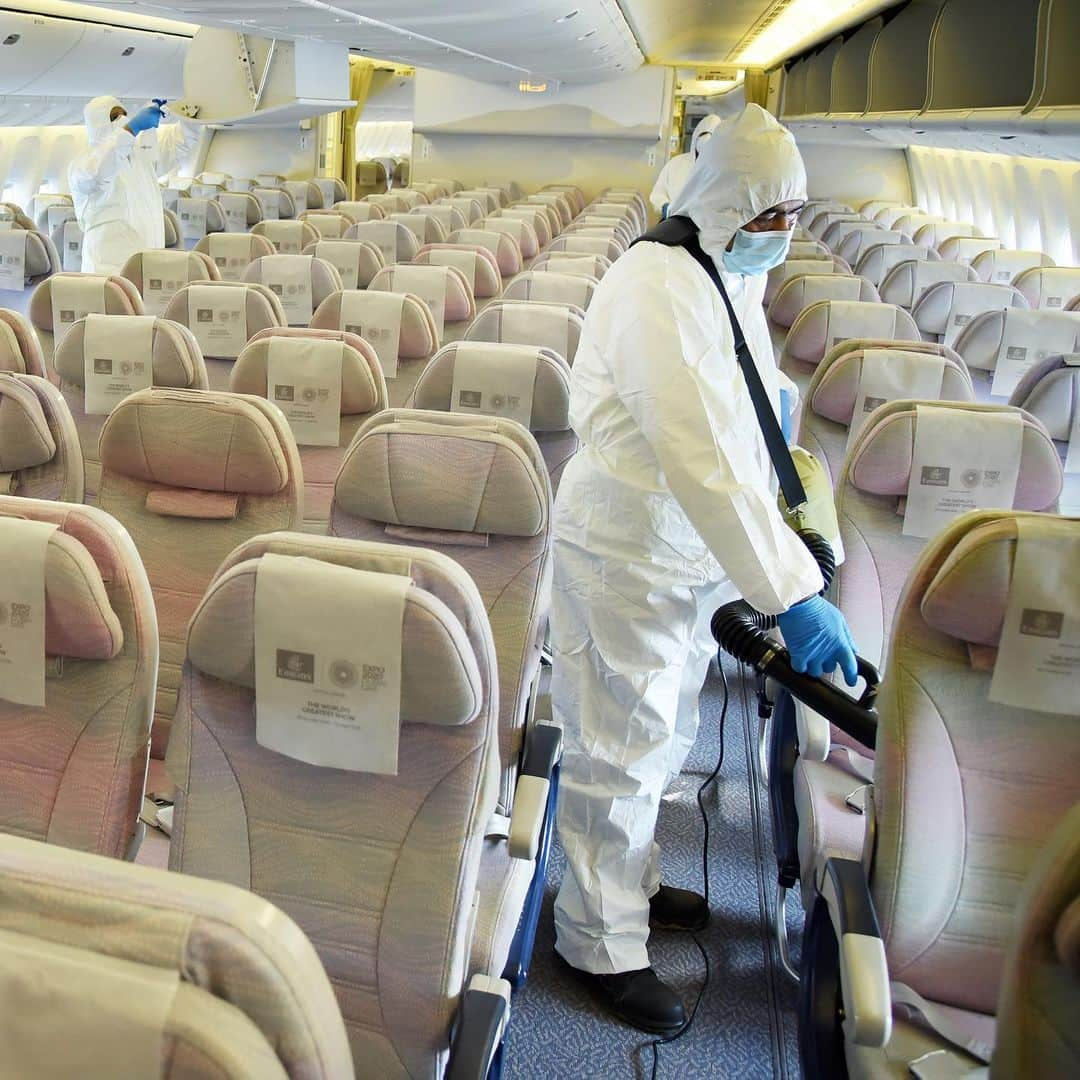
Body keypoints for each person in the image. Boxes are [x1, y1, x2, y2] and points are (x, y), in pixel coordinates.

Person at [551, 104, 858, 1034]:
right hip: (628, 551)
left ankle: (632, 886)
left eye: (796, 215)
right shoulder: (658, 284)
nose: (785, 236)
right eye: (774, 216)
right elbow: (702, 457)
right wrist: (791, 595)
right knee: (620, 747)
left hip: (677, 553)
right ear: (729, 204)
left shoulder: (717, 272)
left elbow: (743, 418)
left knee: (664, 731)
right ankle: (597, 941)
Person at [69, 96, 201, 274]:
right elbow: (101, 170)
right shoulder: (84, 164)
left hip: (147, 267)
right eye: (115, 117)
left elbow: (175, 146)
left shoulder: (139, 157)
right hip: (107, 271)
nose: (122, 120)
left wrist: (191, 116)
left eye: (124, 115)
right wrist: (131, 129)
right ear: (97, 124)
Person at [648, 113, 721, 218]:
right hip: (673, 223)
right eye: (703, 135)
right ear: (695, 137)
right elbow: (657, 194)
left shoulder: (722, 170)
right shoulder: (675, 164)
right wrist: (665, 208)